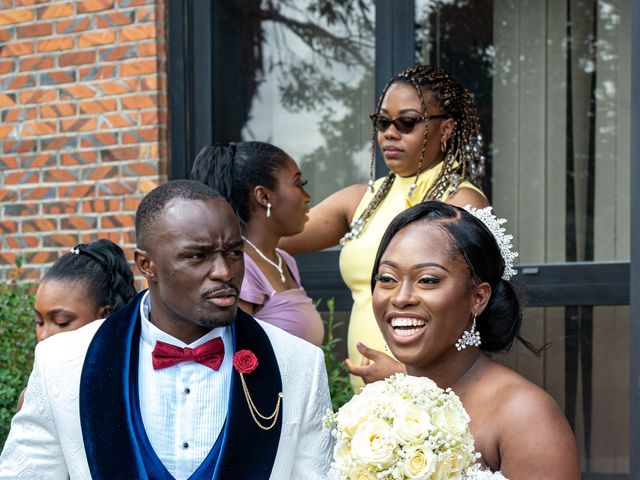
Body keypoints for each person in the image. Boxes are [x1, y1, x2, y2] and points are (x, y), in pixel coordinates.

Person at [0, 180, 333, 479]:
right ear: (147, 264)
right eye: (198, 256)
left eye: (233, 253)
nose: (224, 272)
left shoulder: (299, 364)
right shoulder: (62, 362)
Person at [280, 64, 490, 388]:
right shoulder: (361, 199)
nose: (390, 133)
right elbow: (268, 237)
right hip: (368, 408)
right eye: (382, 122)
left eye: (406, 122)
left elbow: (470, 313)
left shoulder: (460, 203)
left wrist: (402, 375)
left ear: (445, 129)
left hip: (432, 397)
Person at [369, 201, 580, 478]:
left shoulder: (524, 415)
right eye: (387, 278)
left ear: (478, 297)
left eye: (428, 280)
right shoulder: (379, 404)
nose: (400, 297)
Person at [191, 142, 324, 346]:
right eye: (299, 184)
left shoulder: (284, 261)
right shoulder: (239, 266)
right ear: (264, 196)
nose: (307, 197)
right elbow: (236, 353)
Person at [16, 239, 137, 411]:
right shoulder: (33, 399)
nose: (43, 336)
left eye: (61, 322)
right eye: (39, 322)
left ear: (105, 316)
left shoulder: (136, 391)